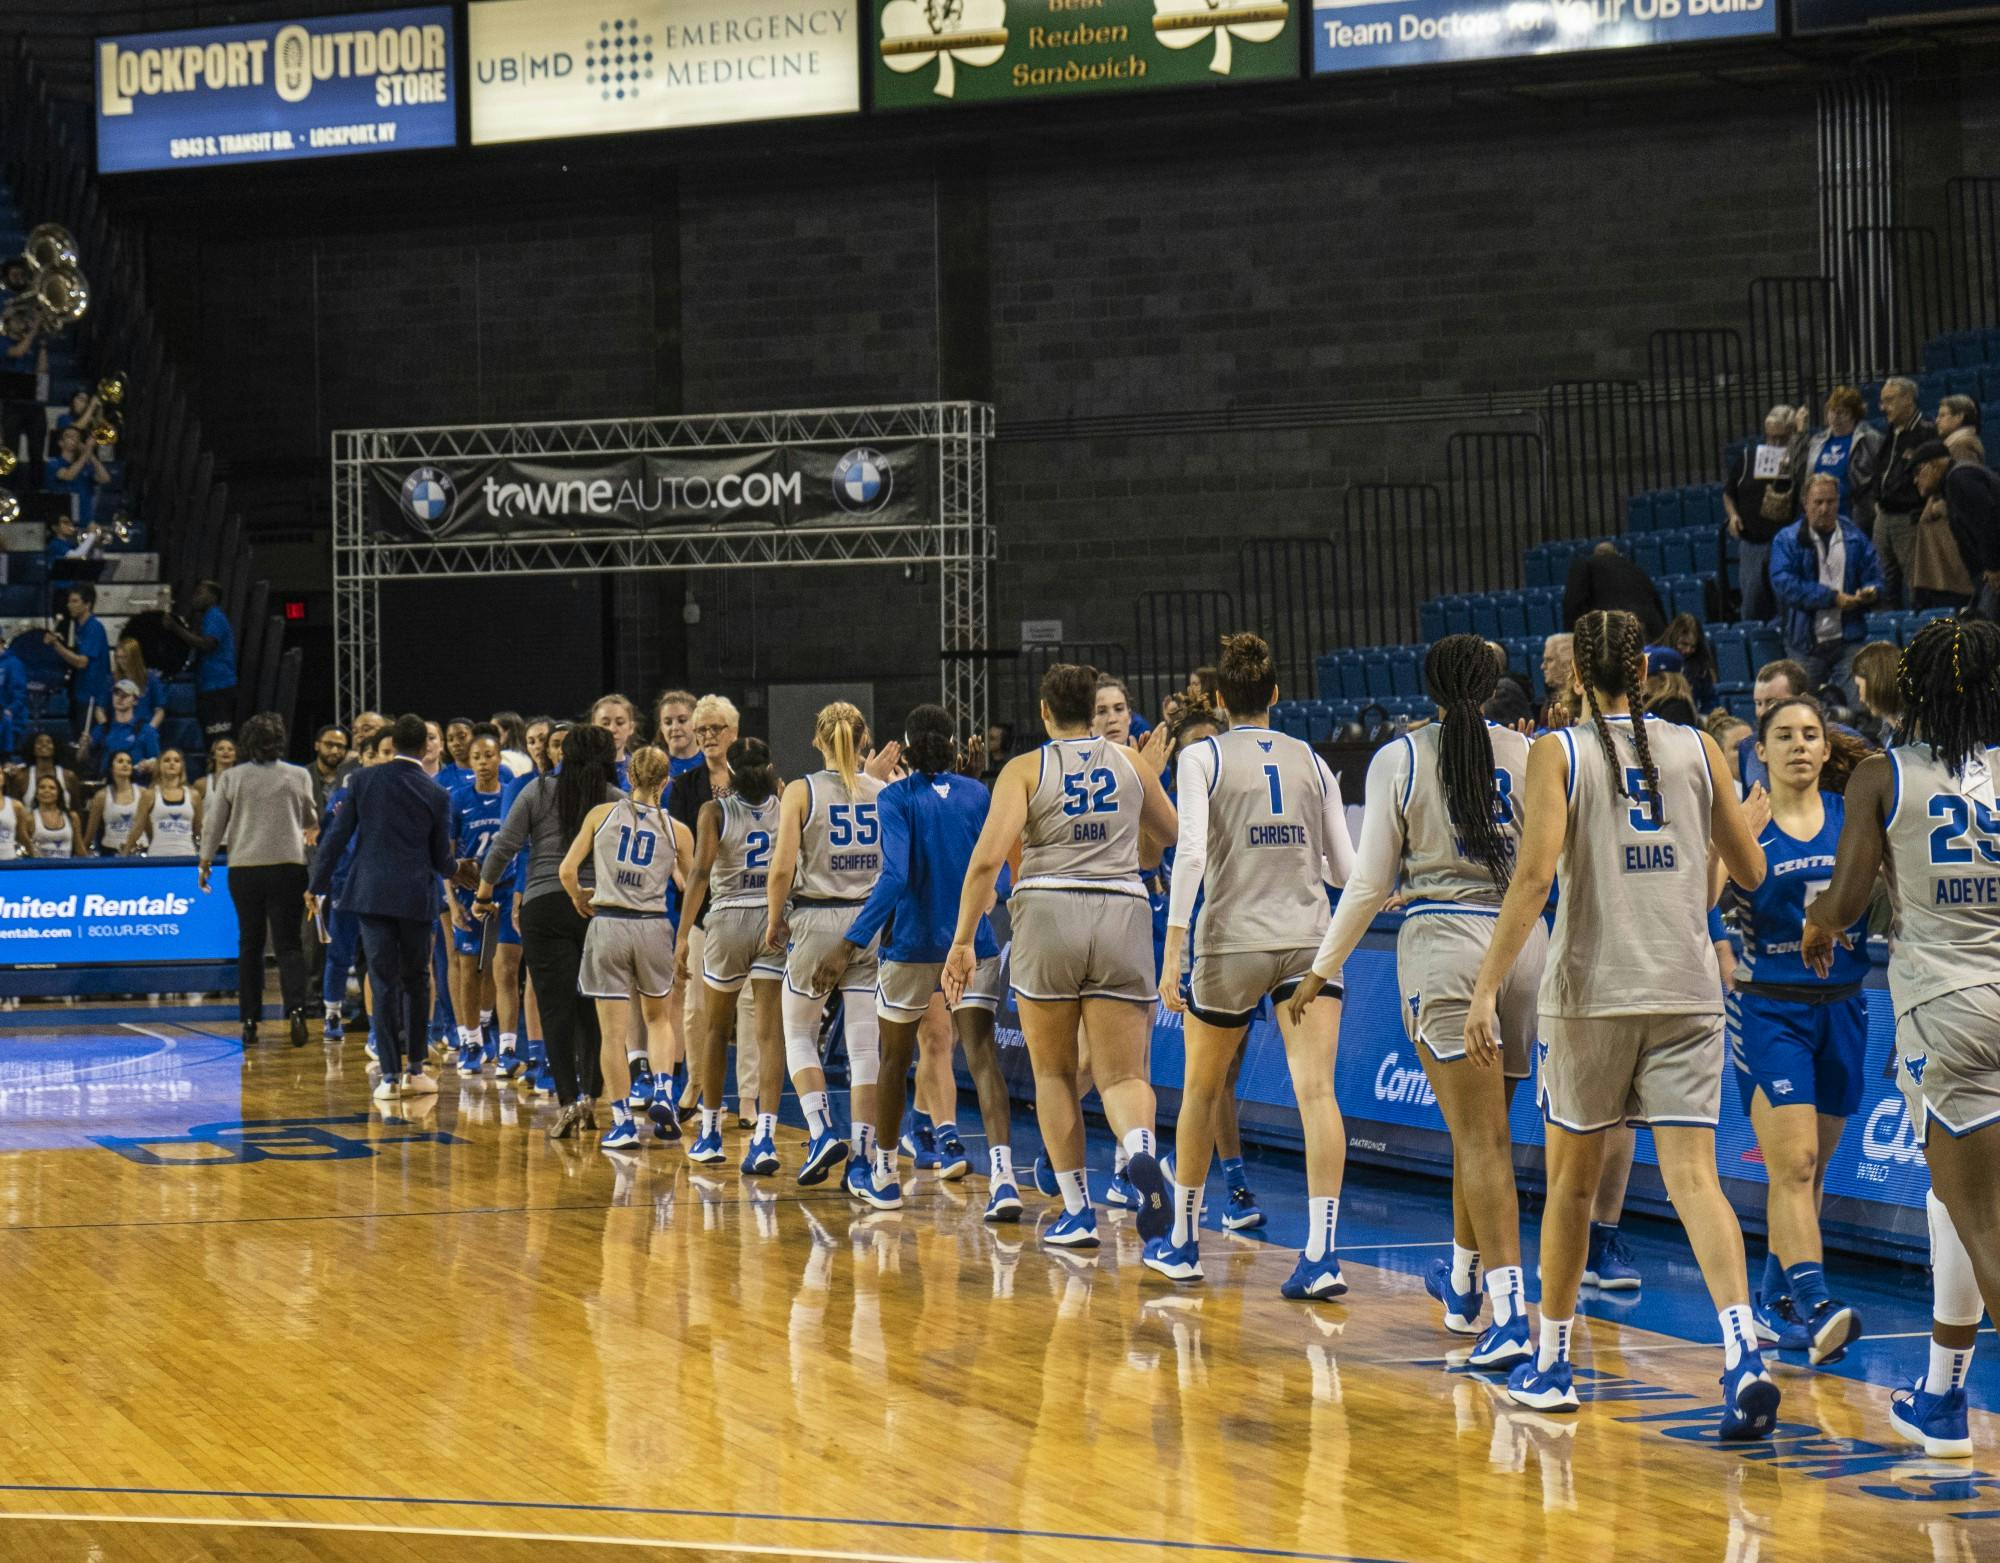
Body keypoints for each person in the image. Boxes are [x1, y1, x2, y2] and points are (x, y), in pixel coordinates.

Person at [1465, 609, 1777, 1436]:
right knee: (1695, 1180)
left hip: (1594, 991)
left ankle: (1554, 1359)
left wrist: (1486, 986)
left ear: (1575, 675)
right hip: (1685, 986)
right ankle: (1743, 1348)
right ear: (1643, 669)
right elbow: (1749, 870)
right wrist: (1731, 829)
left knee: (1570, 1183)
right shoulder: (1698, 748)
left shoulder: (1556, 750)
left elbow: (1533, 881)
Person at [1290, 635, 1540, 1363]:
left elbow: (1368, 886)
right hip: (1526, 947)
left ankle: (1510, 1313)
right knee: (1486, 1134)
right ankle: (1463, 1287)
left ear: (1426, 683)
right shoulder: (1530, 754)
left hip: (1446, 944)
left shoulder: (1400, 756)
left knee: (1481, 1141)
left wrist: (1320, 966)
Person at [1801, 619, 2000, 1460]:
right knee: (1952, 1202)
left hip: (1946, 1010)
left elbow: (1846, 903)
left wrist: (1818, 921)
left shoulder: (1885, 776)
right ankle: (1943, 1398)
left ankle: (1947, 1399)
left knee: (1983, 1216)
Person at [1154, 633, 1357, 1295]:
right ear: (1275, 693)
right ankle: (1322, 1254)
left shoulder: (1200, 756)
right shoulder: (1311, 760)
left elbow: (1189, 856)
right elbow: (1344, 869)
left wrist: (1173, 947)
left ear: (1217, 697)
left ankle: (1183, 1242)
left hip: (1232, 939)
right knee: (1317, 1095)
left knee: (1201, 1091)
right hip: (1308, 940)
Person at [949, 663, 1178, 1244]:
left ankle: (1078, 1210)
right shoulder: (1131, 762)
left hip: (1049, 911)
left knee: (1053, 1072)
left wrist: (961, 940)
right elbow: (1170, 835)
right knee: (1124, 1073)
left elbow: (986, 860)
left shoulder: (1025, 768)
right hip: (1123, 909)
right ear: (1094, 711)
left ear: (1046, 712)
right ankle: (1139, 1152)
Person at [811, 705, 1017, 1213]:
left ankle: (883, 1172)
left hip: (912, 947)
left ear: (905, 744)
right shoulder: (977, 793)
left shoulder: (896, 797)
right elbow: (1001, 873)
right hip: (974, 946)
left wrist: (849, 943)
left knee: (893, 1061)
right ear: (952, 742)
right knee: (983, 1058)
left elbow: (896, 878)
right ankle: (1005, 1180)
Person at [1724, 692, 1873, 1366]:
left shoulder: (1851, 817)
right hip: (1768, 1007)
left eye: (1811, 734)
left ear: (1825, 745)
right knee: (1796, 1163)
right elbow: (1697, 901)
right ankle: (1815, 1305)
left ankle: (1773, 1300)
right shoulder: (1744, 821)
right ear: (1762, 749)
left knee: (1809, 1174)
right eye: (1784, 735)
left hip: (1844, 1003)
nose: (1799, 745)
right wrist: (1727, 847)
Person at [762, 703, 888, 1190]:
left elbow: (780, 869)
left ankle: (819, 1130)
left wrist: (775, 921)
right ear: (865, 740)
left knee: (798, 1033)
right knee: (862, 1045)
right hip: (868, 920)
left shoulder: (801, 790)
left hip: (816, 917)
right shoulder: (883, 792)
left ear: (817, 741)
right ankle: (862, 1157)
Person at [477, 722, 622, 1135]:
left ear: (565, 754)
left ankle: (567, 1099)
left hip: (544, 906)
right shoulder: (617, 801)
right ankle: (592, 1096)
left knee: (555, 1008)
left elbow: (505, 844)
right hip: (598, 908)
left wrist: (484, 893)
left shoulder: (537, 791)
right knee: (595, 1006)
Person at [313, 713, 457, 1101]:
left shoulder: (361, 781)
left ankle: (390, 1078)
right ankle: (415, 1069)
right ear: (426, 747)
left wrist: (316, 885)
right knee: (416, 980)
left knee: (383, 980)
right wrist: (463, 871)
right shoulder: (436, 793)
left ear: (393, 742)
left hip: (370, 895)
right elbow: (441, 859)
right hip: (415, 896)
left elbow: (335, 839)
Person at [560, 745, 691, 1154]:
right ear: (665, 781)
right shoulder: (676, 830)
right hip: (653, 925)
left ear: (628, 778)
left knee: (612, 1034)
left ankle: (622, 1124)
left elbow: (566, 870)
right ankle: (665, 1091)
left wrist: (579, 896)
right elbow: (691, 885)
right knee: (659, 1020)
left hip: (609, 923)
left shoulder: (601, 815)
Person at [676, 736, 788, 1169]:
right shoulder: (786, 802)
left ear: (732, 773)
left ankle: (709, 1133)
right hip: (777, 918)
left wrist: (683, 934)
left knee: (715, 1030)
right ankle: (764, 1136)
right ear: (771, 766)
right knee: (767, 1032)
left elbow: (700, 873)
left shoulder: (715, 810)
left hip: (727, 920)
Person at [202, 711, 317, 1049]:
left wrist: (205, 860)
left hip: (245, 868)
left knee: (249, 944)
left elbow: (214, 824)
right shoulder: (298, 775)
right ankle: (296, 1010)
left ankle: (250, 1019)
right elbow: (309, 816)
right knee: (289, 944)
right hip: (287, 866)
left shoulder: (232, 778)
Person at [1769, 474, 1883, 702]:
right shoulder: (1787, 539)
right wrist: (1831, 598)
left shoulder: (1854, 536)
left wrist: (1871, 591)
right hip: (1804, 644)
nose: (1824, 508)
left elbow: (1875, 575)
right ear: (1805, 504)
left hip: (1848, 638)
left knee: (1862, 704)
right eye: (1818, 502)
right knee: (1800, 708)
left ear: (1839, 501)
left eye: (1830, 502)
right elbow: (1783, 582)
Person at [444, 726, 517, 1076]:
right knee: (471, 966)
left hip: (506, 888)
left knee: (504, 968)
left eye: (489, 755)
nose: (484, 762)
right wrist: (453, 903)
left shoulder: (512, 795)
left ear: (500, 757)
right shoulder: (458, 799)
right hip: (469, 892)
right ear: (469, 763)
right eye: (477, 757)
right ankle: (471, 1040)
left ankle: (507, 1046)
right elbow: (446, 856)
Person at [318, 728, 390, 1043]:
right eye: (374, 754)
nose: (380, 760)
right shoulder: (344, 795)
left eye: (386, 754)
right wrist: (319, 882)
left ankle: (380, 1023)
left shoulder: (395, 791)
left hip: (382, 883)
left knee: (379, 955)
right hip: (346, 882)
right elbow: (329, 840)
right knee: (339, 952)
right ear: (362, 757)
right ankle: (332, 1012)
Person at [1724, 404, 1803, 622]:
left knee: (1786, 605)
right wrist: (1733, 516)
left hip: (1784, 544)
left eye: (1781, 438)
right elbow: (1729, 493)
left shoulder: (1797, 459)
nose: (1775, 444)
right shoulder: (1749, 457)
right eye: (1770, 437)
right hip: (1752, 544)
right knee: (1751, 606)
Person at [1872, 376, 1938, 610]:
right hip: (1883, 515)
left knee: (1914, 581)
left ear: (1908, 398)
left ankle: (1918, 635)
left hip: (1908, 517)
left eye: (1889, 400)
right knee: (1882, 581)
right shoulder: (1891, 432)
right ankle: (1886, 639)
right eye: (1882, 401)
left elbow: (1934, 476)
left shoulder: (1926, 432)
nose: (1883, 407)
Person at [1920, 439, 2000, 623]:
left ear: (1933, 466)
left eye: (1918, 472)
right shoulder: (1956, 480)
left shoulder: (1960, 478)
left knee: (1984, 635)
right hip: (1990, 571)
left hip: (1995, 570)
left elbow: (1985, 522)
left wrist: (1994, 567)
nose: (1916, 480)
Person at [1802, 386, 1883, 533]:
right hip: (1820, 515)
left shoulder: (1870, 438)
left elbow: (1879, 474)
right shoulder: (1817, 441)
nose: (1835, 417)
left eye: (1842, 412)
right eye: (1832, 411)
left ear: (1853, 414)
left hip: (1854, 514)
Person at [167, 580, 238, 746]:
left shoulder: (215, 616)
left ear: (212, 597)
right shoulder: (207, 619)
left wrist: (175, 628)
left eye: (200, 593)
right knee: (210, 739)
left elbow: (207, 644)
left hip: (219, 687)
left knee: (220, 738)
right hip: (208, 686)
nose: (194, 598)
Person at [1563, 542, 1667, 642]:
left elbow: (1573, 601)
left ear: (1595, 554)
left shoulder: (1585, 564)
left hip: (1616, 629)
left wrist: (1572, 635)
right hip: (1653, 629)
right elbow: (1656, 601)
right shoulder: (1635, 568)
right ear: (1616, 553)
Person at [48, 584, 111, 740]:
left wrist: (56, 645)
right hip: (80, 693)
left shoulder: (94, 628)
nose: (70, 605)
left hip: (92, 695)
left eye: (75, 601)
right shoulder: (78, 627)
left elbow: (82, 662)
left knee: (87, 742)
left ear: (87, 604)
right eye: (69, 601)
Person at [132, 748, 200, 858]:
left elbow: (199, 830)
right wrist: (124, 856)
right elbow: (137, 828)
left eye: (176, 760)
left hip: (187, 856)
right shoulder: (149, 795)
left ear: (182, 766)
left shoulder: (193, 795)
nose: (172, 763)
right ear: (159, 765)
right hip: (157, 856)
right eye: (167, 760)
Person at [89, 680, 160, 781]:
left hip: (137, 787)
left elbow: (157, 762)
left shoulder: (147, 731)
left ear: (135, 700)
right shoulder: (102, 729)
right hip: (107, 785)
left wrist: (149, 765)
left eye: (125, 695)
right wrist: (83, 746)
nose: (120, 698)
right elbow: (82, 758)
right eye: (116, 694)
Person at [43, 425, 109, 523]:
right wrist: (86, 452)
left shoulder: (85, 466)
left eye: (77, 437)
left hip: (86, 522)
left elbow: (105, 478)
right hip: (63, 522)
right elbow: (69, 475)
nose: (74, 439)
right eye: (69, 436)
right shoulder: (53, 463)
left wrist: (90, 454)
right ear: (61, 443)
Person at [85, 750, 142, 856]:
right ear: (111, 768)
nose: (125, 764)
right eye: (120, 761)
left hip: (139, 851)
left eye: (129, 762)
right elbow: (91, 830)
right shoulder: (101, 796)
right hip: (110, 852)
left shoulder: (143, 793)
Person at [113, 637, 166, 733]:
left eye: (125, 657)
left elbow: (159, 711)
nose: (121, 661)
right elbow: (100, 709)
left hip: (143, 729)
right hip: (119, 731)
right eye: (118, 657)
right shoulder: (112, 680)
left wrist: (150, 730)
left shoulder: (151, 679)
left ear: (134, 657)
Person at [28, 772, 78, 857]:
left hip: (66, 868)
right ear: (36, 793)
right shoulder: (29, 818)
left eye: (52, 788)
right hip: (41, 868)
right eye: (42, 787)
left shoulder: (72, 817)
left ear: (59, 793)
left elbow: (79, 848)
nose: (46, 790)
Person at [308, 725, 349, 815]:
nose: (334, 751)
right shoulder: (304, 775)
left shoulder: (350, 777)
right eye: (329, 745)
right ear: (317, 745)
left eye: (340, 746)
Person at [1938, 395, 1985, 467]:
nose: (1937, 420)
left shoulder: (1961, 444)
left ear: (1959, 417)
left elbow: (1965, 476)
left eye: (1942, 415)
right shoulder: (1965, 440)